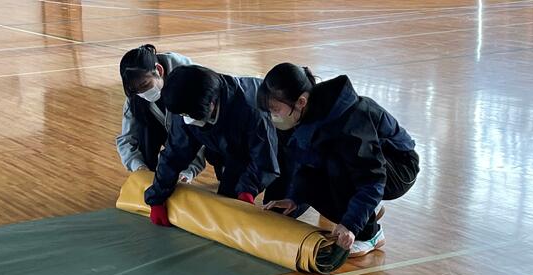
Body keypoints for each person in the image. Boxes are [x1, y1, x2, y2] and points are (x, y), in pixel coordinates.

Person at [259, 63, 420, 257]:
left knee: (335, 161)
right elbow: (307, 165)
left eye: (276, 109)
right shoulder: (306, 114)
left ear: (301, 101)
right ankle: (366, 208)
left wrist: (350, 224)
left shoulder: (350, 122)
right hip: (369, 166)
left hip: (400, 167)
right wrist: (295, 198)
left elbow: (372, 178)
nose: (274, 116)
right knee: (316, 175)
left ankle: (369, 234)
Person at [144, 65, 280, 226]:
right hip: (232, 149)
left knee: (279, 205)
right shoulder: (184, 105)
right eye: (184, 115)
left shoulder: (251, 109)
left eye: (191, 115)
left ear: (212, 103)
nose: (187, 119)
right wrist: (157, 198)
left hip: (281, 144)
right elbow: (175, 153)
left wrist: (247, 190)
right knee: (225, 204)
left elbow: (265, 159)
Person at [116, 44, 205, 183]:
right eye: (136, 90)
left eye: (145, 85)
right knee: (142, 128)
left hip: (204, 131)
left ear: (159, 70)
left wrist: (189, 170)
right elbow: (127, 138)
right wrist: (138, 167)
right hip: (165, 129)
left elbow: (200, 130)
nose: (142, 93)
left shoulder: (189, 80)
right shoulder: (135, 93)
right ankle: (149, 174)